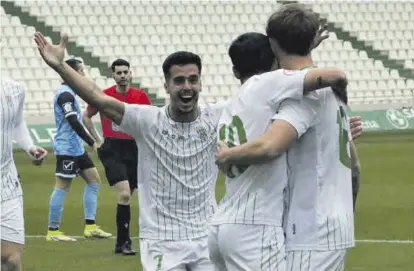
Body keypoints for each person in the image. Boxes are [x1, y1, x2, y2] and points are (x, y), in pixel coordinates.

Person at [34, 31, 354, 271]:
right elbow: (98, 98)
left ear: (200, 83)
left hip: (205, 236)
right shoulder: (147, 121)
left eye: (193, 80)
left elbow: (268, 88)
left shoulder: (220, 115)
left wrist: (301, 53)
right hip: (163, 240)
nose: (187, 87)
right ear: (166, 85)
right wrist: (61, 66)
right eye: (179, 81)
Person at [214, 4, 361, 270]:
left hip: (309, 230)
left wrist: (228, 154)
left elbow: (271, 146)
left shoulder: (303, 95)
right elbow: (355, 169)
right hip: (336, 225)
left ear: (273, 45)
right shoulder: (334, 93)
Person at [83, 58, 152, 255]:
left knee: (128, 196)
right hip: (112, 148)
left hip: (135, 149)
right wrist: (97, 140)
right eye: (119, 73)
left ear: (130, 74)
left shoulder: (140, 96)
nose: (122, 76)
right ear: (113, 75)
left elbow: (150, 121)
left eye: (125, 72)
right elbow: (86, 116)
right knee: (123, 193)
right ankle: (124, 243)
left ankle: (121, 243)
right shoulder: (105, 96)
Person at [45, 59, 111, 242]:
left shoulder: (71, 93)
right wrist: (92, 142)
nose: (83, 74)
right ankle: (53, 231)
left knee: (94, 180)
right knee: (63, 186)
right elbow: (73, 122)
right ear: (71, 73)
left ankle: (90, 226)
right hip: (66, 148)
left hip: (76, 148)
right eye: (81, 71)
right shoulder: (65, 95)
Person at [1, 77, 48, 271]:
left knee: (10, 260)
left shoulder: (14, 89)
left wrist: (30, 147)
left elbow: (17, 123)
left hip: (6, 184)